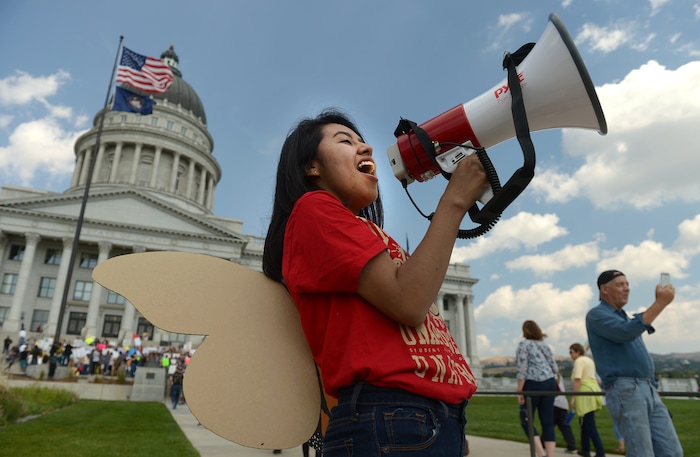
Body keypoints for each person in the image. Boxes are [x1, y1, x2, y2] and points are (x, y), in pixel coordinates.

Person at [262, 109, 486, 456]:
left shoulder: (365, 231)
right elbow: (409, 301)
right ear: (311, 166)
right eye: (345, 141)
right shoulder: (313, 208)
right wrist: (455, 201)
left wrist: (446, 415)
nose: (366, 148)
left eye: (362, 141)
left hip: (418, 417)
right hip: (390, 415)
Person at [586, 270, 683, 457]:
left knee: (672, 452)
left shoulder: (624, 318)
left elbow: (630, 330)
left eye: (628, 284)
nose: (627, 288)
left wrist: (651, 388)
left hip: (647, 388)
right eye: (620, 284)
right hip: (626, 389)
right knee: (642, 452)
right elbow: (626, 332)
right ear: (604, 289)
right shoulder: (596, 315)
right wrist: (660, 303)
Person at [516, 320, 558, 457]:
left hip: (533, 383)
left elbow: (522, 369)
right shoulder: (544, 345)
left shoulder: (524, 345)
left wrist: (519, 390)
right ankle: (551, 455)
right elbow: (554, 367)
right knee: (547, 421)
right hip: (550, 383)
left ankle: (540, 454)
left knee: (526, 419)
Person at [568, 343, 604, 457]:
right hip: (592, 390)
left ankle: (600, 452)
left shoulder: (579, 361)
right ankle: (585, 449)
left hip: (584, 392)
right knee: (584, 422)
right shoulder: (589, 360)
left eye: (571, 352)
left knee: (589, 423)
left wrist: (573, 398)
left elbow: (577, 380)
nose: (571, 355)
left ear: (578, 352)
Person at [553, 374, 578, 454]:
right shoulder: (559, 375)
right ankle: (571, 445)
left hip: (555, 403)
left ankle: (571, 446)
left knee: (550, 425)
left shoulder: (551, 375)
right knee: (562, 425)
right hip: (562, 403)